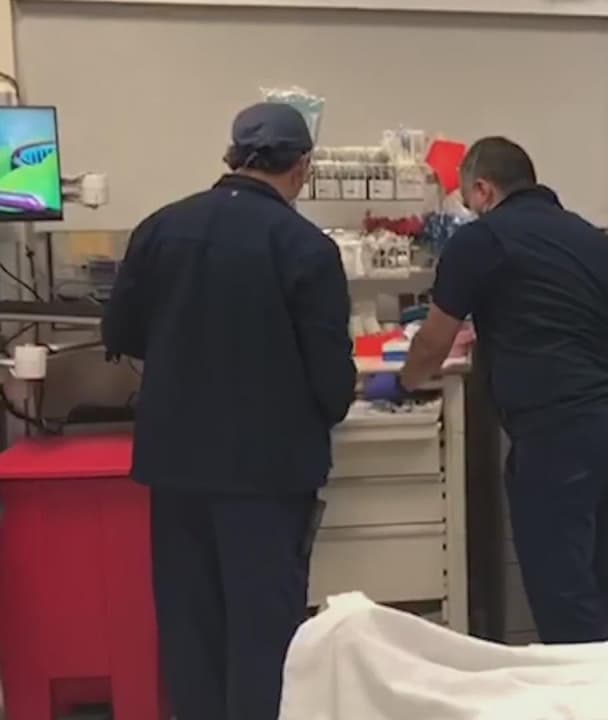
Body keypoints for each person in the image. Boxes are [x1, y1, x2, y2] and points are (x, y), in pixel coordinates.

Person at [103, 102, 355, 720]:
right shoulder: (304, 247)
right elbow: (330, 379)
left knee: (191, 627)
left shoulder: (160, 229)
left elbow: (122, 333)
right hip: (267, 476)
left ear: (232, 156)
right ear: (302, 166)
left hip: (177, 467)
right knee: (264, 634)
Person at [365, 137, 608, 643]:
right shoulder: (592, 239)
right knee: (592, 572)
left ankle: (578, 682)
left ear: (483, 189)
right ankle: (599, 669)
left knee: (561, 591)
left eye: (467, 199)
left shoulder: (481, 240)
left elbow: (434, 341)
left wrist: (404, 382)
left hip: (551, 434)